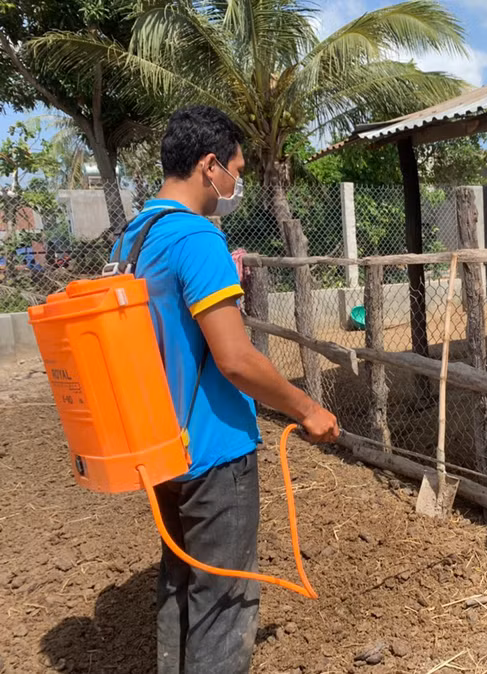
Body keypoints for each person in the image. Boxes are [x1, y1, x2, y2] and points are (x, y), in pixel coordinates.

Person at [111, 105, 339, 673]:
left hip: (162, 446)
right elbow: (236, 360)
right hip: (214, 451)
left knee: (179, 579)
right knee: (224, 602)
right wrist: (308, 408)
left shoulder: (134, 239)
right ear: (210, 166)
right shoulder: (197, 238)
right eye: (235, 169)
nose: (235, 183)